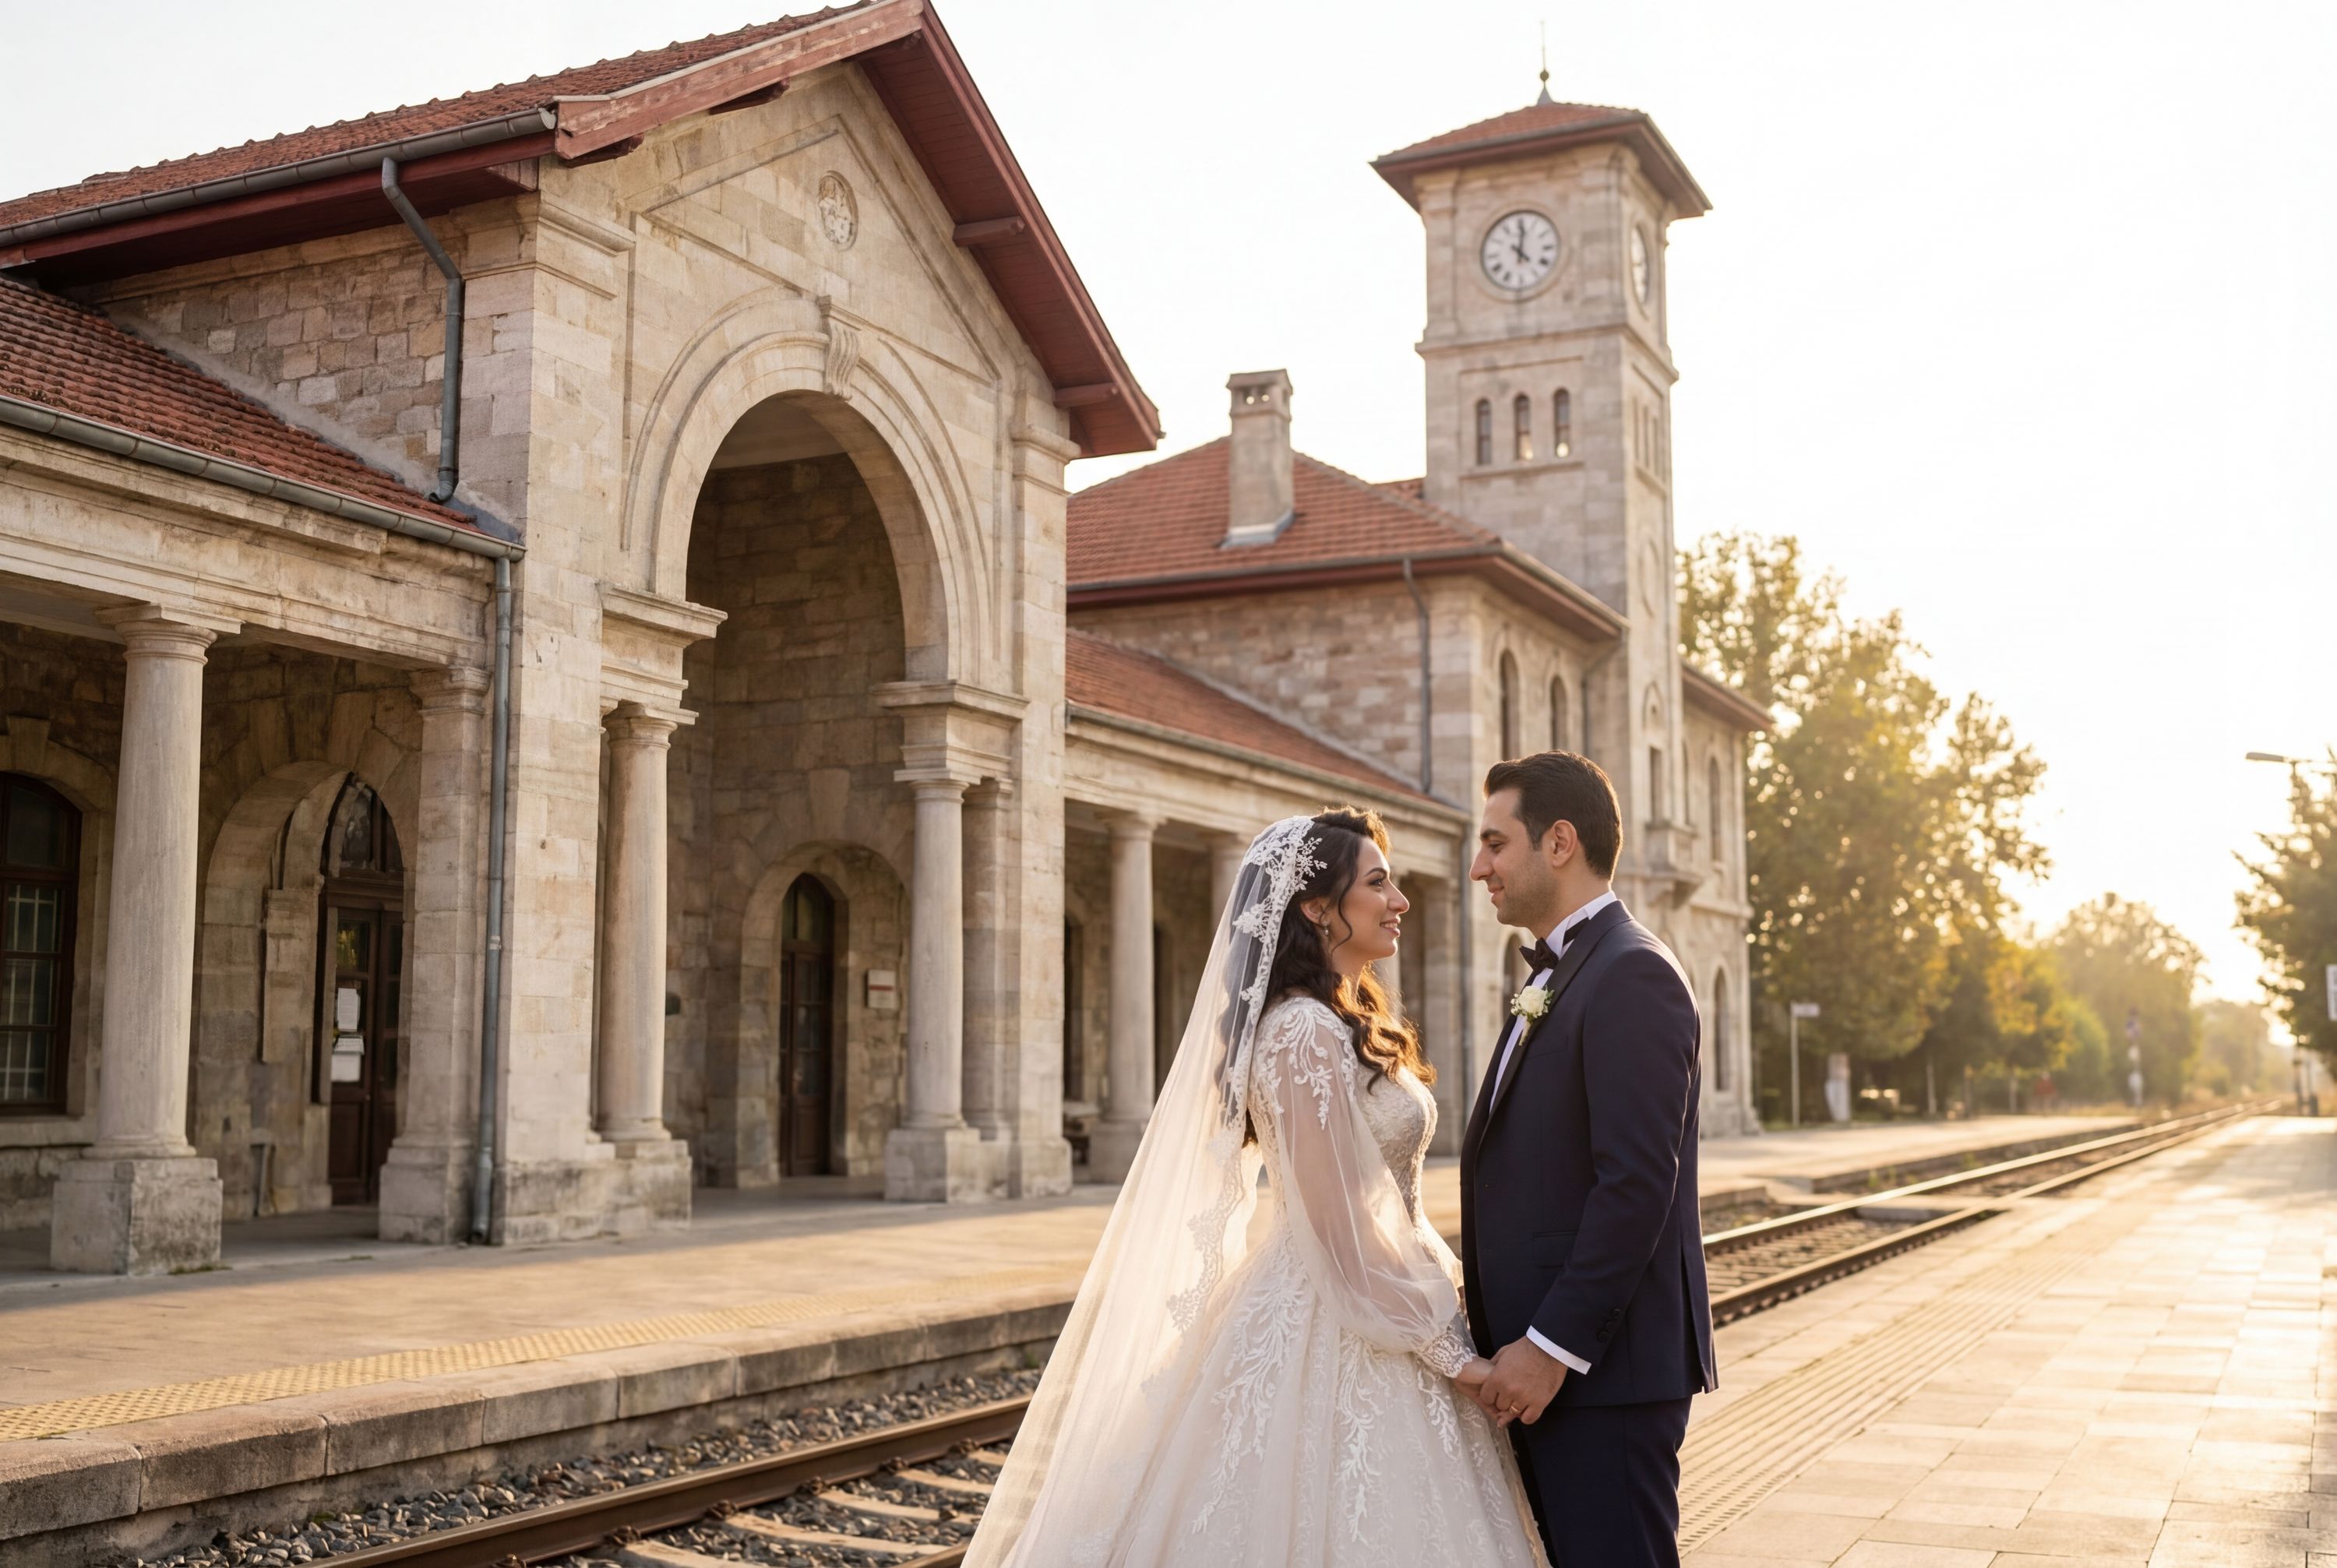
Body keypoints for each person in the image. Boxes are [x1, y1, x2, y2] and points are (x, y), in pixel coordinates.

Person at [967, 808, 1546, 1566]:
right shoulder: (1300, 1030)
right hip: (1340, 1312)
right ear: (1316, 908)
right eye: (1378, 883)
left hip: (1392, 1296)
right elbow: (1339, 1230)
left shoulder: (1341, 1018)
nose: (1399, 900)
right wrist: (1457, 1360)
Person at [1463, 751, 1718, 1566]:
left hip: (1599, 1379)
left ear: (1560, 843)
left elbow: (1636, 1188)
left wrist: (1548, 1348)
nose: (1479, 867)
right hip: (1554, 1382)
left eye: (1496, 844)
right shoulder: (1570, 969)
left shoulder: (1632, 972)